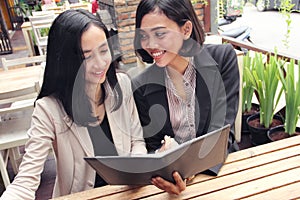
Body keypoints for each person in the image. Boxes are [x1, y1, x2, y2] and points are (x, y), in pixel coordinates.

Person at [0, 9, 146, 199]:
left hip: (127, 193)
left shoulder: (122, 86)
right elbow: (26, 181)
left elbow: (137, 141)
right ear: (67, 61)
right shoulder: (49, 109)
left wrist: (135, 172)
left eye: (103, 50)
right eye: (86, 57)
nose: (101, 63)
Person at [132, 0, 240, 195]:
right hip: (174, 182)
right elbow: (154, 145)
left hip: (221, 172)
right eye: (144, 36)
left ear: (186, 29)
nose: (150, 45)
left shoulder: (223, 59)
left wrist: (189, 168)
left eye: (159, 34)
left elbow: (223, 132)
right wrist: (165, 166)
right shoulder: (141, 86)